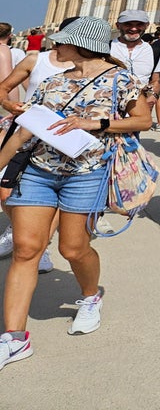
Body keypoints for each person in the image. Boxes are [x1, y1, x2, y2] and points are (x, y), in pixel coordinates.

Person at [0, 16, 150, 368]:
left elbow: (142, 120)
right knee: (26, 250)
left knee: (73, 248)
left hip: (88, 172)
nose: (55, 46)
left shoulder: (122, 80)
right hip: (39, 171)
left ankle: (89, 296)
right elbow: (23, 132)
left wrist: (96, 124)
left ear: (82, 45)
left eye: (62, 41)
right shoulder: (52, 82)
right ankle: (14, 337)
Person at [0, 17, 80, 267]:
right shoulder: (37, 59)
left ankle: (41, 246)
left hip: (65, 140)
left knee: (52, 196)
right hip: (25, 134)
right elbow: (4, 88)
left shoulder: (91, 66)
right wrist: (9, 104)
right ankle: (18, 228)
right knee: (4, 188)